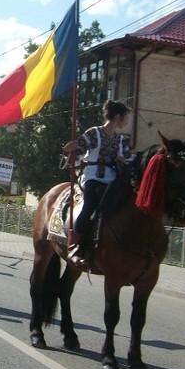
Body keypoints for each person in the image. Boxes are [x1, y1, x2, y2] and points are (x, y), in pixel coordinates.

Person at [61, 99, 131, 268]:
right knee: (91, 205)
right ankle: (76, 247)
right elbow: (77, 150)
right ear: (118, 117)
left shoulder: (120, 140)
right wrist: (68, 151)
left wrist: (122, 159)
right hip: (93, 176)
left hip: (113, 178)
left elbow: (129, 159)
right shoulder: (94, 133)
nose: (127, 122)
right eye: (125, 118)